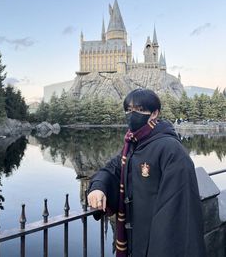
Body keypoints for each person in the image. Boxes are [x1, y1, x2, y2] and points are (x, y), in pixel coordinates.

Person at [87, 88, 206, 257]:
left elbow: (177, 210)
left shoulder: (170, 149)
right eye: (128, 110)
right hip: (136, 241)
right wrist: (98, 187)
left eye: (140, 110)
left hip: (158, 245)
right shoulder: (133, 144)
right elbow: (112, 169)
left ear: (154, 113)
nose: (132, 114)